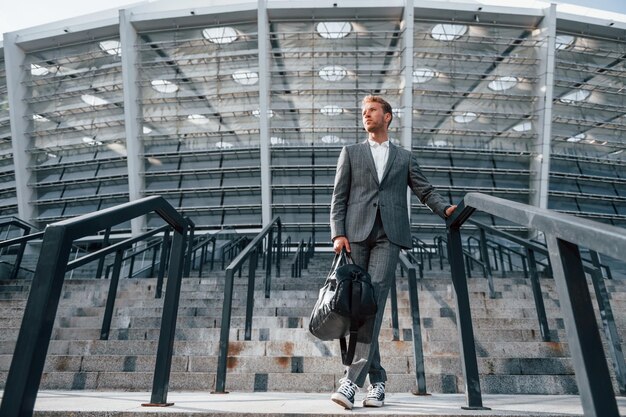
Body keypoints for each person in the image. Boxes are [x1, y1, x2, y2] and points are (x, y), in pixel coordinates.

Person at [329, 95, 456, 409]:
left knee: (373, 302)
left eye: (372, 110)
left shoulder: (404, 157)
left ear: (388, 117)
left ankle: (350, 382)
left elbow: (424, 190)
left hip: (390, 236)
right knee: (359, 308)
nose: (366, 115)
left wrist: (446, 210)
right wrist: (338, 232)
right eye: (363, 112)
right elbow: (339, 196)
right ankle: (378, 381)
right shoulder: (351, 152)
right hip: (355, 235)